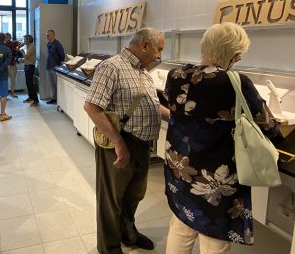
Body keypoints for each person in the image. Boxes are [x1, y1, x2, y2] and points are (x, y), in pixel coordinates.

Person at [164, 22, 278, 253]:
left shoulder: (175, 75)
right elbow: (267, 124)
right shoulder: (236, 83)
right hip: (216, 179)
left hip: (180, 168)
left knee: (181, 226)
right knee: (214, 239)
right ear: (235, 55)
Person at [84, 27, 170, 254]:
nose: (160, 55)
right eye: (158, 49)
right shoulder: (112, 67)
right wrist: (118, 143)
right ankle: (109, 248)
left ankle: (128, 234)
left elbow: (150, 103)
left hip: (142, 144)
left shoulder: (143, 71)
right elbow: (92, 107)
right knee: (111, 200)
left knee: (134, 195)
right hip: (120, 144)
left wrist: (172, 116)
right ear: (144, 46)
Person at [45, 29, 65, 104]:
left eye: (48, 35)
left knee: (57, 84)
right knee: (52, 84)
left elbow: (62, 56)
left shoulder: (57, 44)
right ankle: (54, 98)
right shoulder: (48, 44)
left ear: (53, 35)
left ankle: (60, 100)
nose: (47, 36)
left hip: (55, 66)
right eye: (46, 35)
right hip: (49, 66)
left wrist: (58, 63)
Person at [20, 34, 39, 106]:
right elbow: (27, 58)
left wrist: (20, 51)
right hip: (27, 66)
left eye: (25, 40)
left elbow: (26, 56)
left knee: (30, 83)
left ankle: (35, 100)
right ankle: (30, 98)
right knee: (28, 83)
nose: (24, 41)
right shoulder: (28, 46)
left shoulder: (32, 46)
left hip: (30, 67)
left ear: (28, 40)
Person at [4, 32, 20, 98]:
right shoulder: (2, 45)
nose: (8, 38)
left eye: (9, 37)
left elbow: (21, 43)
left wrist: (18, 47)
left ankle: (12, 93)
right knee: (4, 81)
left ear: (10, 38)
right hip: (4, 66)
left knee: (13, 80)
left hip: (13, 65)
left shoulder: (13, 43)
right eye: (6, 37)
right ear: (4, 38)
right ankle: (4, 94)